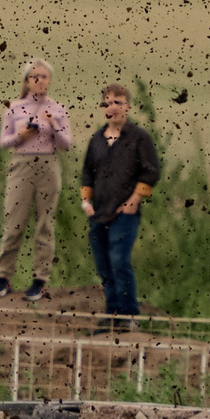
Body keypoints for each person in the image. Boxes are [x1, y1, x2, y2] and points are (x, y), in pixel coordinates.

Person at [78, 84, 159, 330]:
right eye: (107, 103)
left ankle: (128, 315)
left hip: (124, 212)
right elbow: (87, 172)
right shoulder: (97, 140)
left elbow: (151, 171)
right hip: (98, 212)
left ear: (128, 106)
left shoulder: (139, 138)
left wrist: (135, 200)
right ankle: (111, 314)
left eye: (118, 102)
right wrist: (85, 201)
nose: (112, 108)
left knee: (119, 261)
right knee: (104, 265)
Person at [0, 59, 73, 300]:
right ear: (27, 81)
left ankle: (40, 278)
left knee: (44, 224)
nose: (40, 81)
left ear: (50, 80)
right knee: (14, 221)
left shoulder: (58, 108)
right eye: (35, 77)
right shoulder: (15, 108)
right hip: (21, 164)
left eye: (44, 76)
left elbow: (67, 144)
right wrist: (21, 135)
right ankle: (3, 275)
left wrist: (54, 124)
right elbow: (3, 142)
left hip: (48, 164)